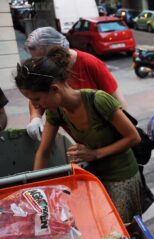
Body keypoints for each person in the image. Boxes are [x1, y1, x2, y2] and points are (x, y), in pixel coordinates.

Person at [14, 46, 142, 223]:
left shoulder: (98, 100)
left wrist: (95, 153)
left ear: (55, 89)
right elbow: (43, 152)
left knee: (125, 231)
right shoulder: (56, 111)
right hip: (93, 178)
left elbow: (134, 137)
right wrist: (37, 193)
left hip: (122, 176)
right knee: (98, 228)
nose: (36, 106)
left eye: (36, 99)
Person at [24, 27, 128, 141]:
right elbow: (36, 96)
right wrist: (35, 117)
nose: (39, 65)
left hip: (106, 138)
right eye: (36, 59)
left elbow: (119, 103)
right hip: (81, 141)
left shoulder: (90, 64)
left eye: (43, 59)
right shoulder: (43, 69)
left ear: (59, 51)